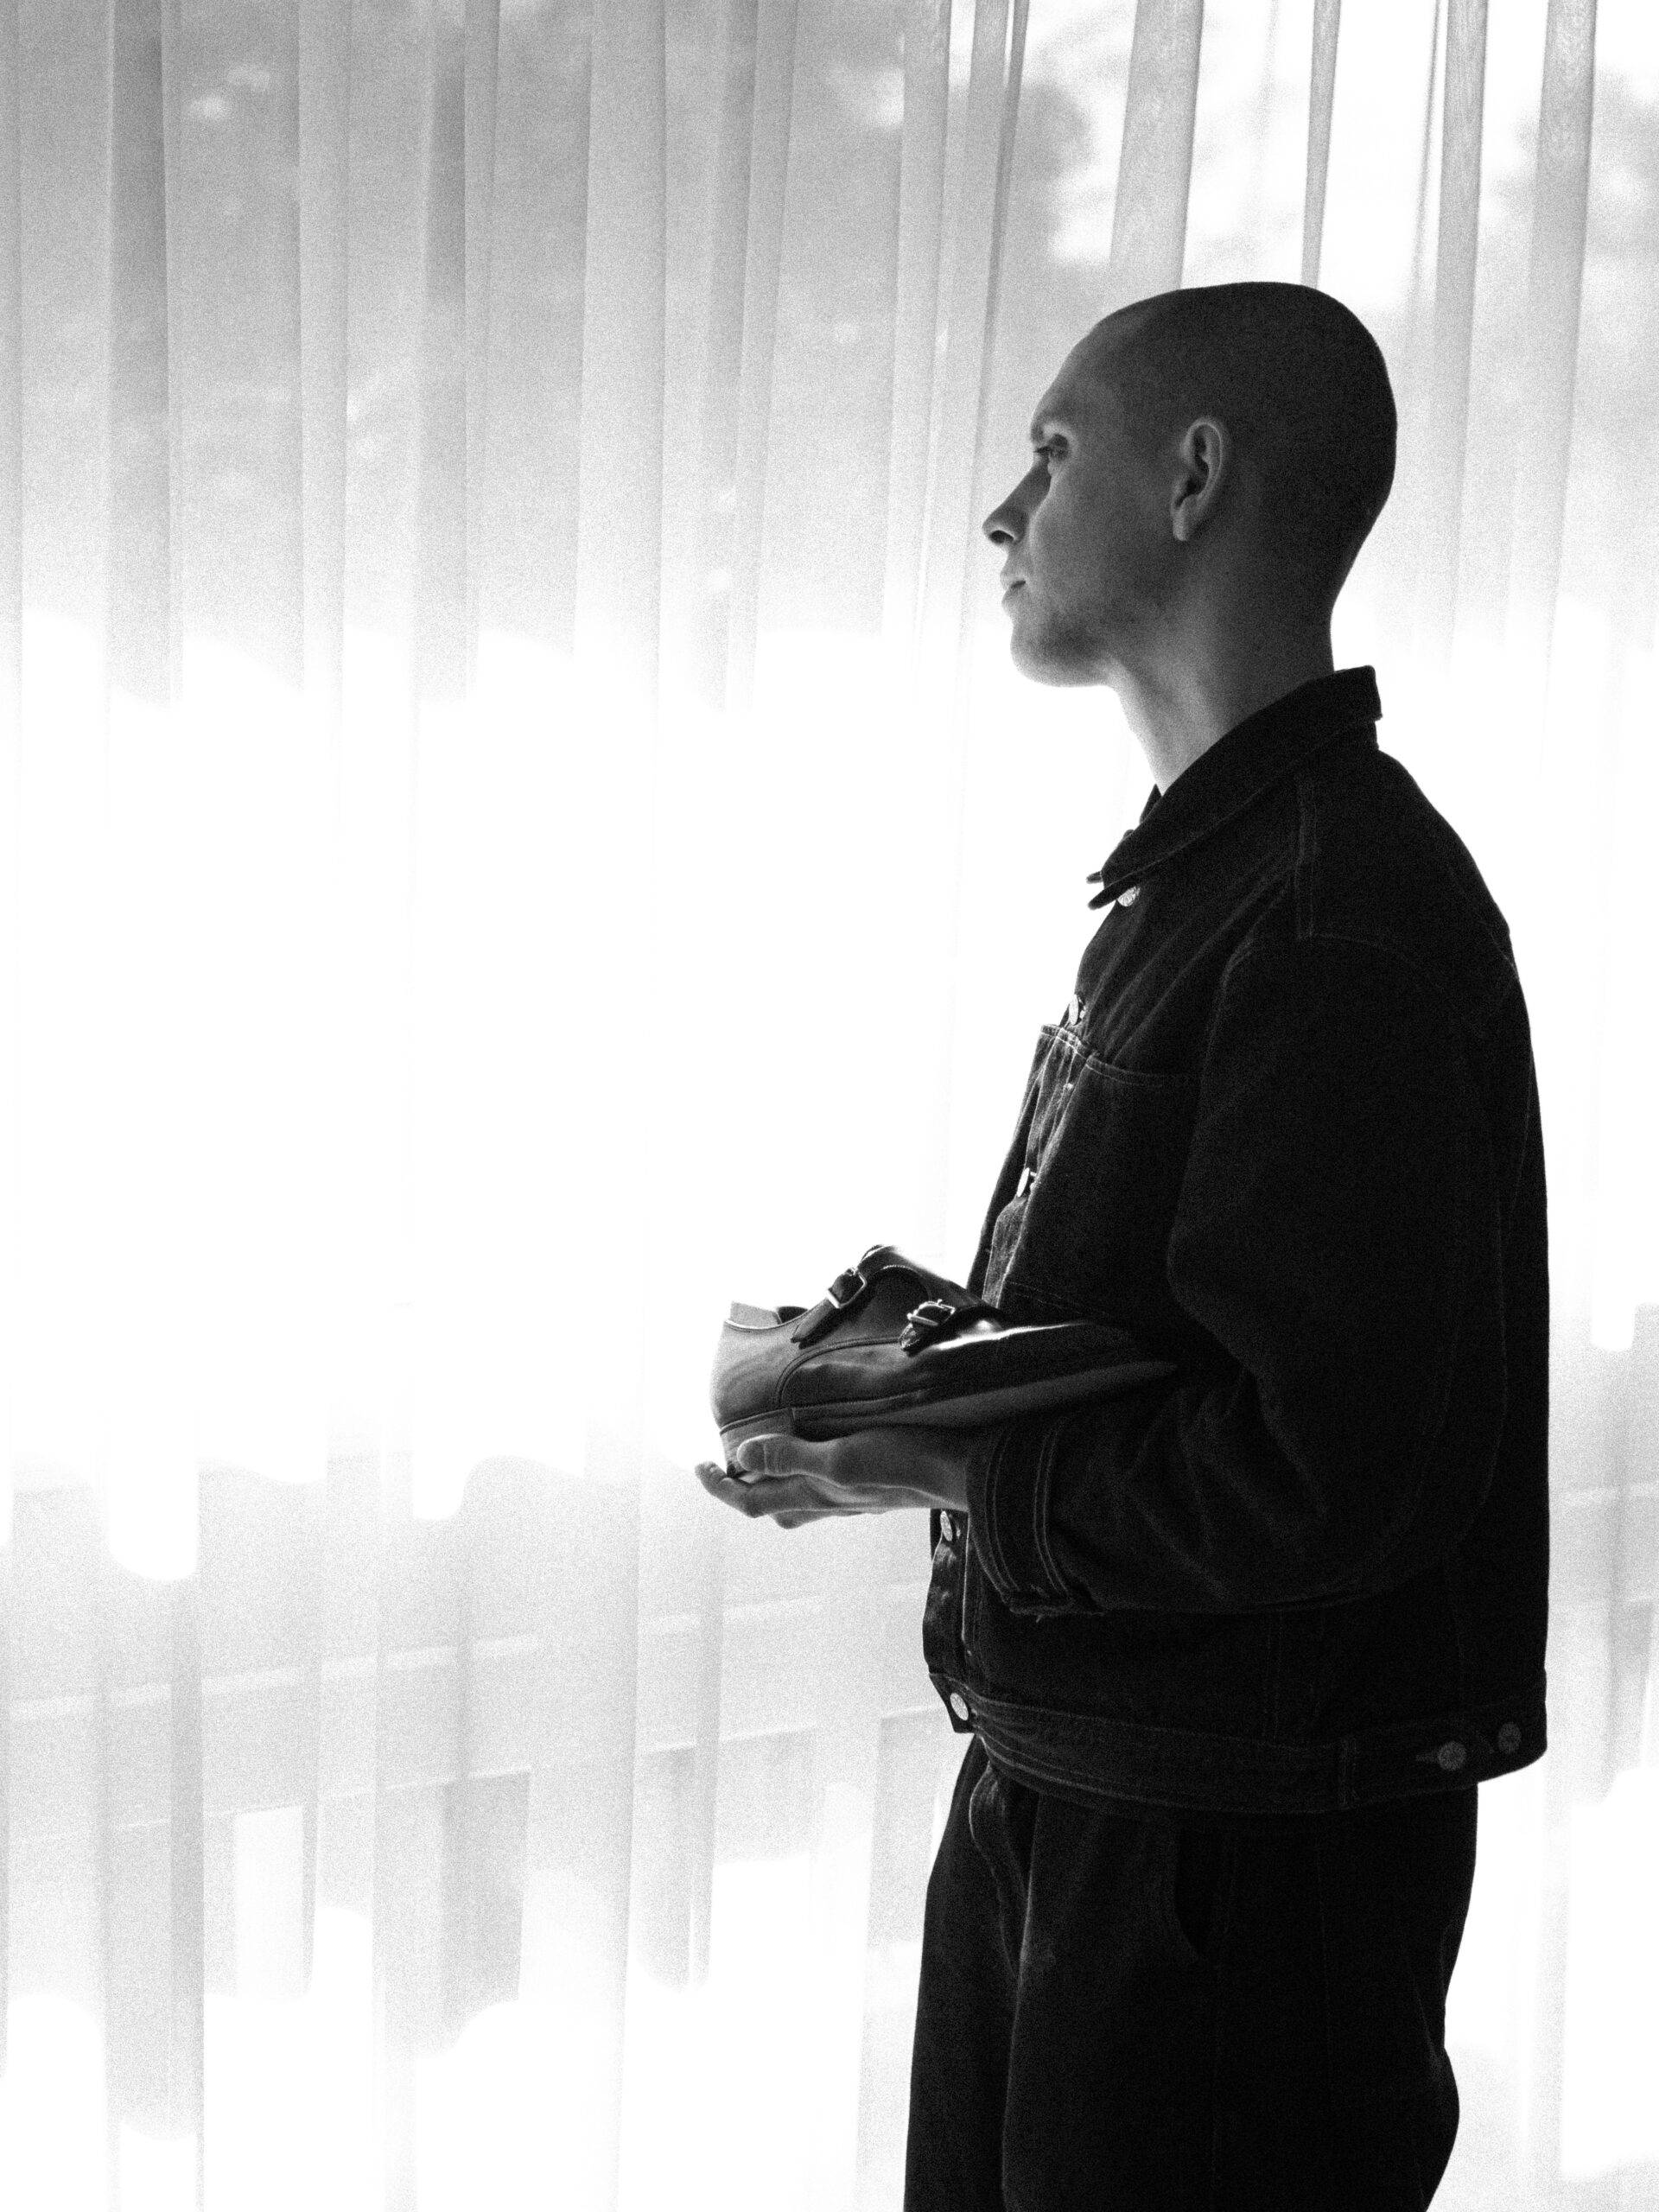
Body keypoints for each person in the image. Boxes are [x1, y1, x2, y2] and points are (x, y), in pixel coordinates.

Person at [694, 279, 1549, 2211]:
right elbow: (1189, 1363)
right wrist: (911, 1387)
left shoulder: (1336, 914)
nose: (1001, 511)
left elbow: (1328, 1472)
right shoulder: (1215, 885)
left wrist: (953, 1469)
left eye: (1052, 451)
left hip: (1223, 1882)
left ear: (1193, 477)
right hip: (1093, 1802)